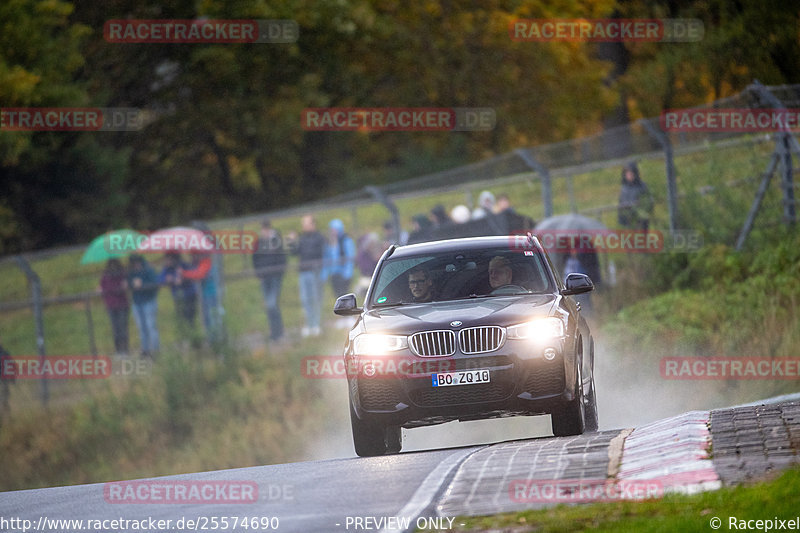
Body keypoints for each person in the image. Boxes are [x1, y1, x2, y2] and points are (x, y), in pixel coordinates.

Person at [287, 215, 327, 337]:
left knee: (315, 298)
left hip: (315, 272)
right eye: (303, 223)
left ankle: (316, 325)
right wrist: (291, 242)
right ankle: (309, 325)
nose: (304, 226)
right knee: (305, 299)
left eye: (306, 223)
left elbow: (318, 253)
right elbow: (294, 252)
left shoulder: (319, 237)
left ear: (313, 224)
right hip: (303, 273)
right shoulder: (302, 238)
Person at [252, 220, 287, 342]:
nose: (264, 231)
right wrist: (258, 273)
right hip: (264, 278)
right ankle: (275, 331)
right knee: (269, 306)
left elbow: (282, 258)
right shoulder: (258, 243)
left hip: (275, 277)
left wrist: (279, 272)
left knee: (272, 303)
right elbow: (255, 258)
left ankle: (279, 331)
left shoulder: (276, 241)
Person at [181, 252, 222, 347]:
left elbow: (199, 274)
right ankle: (211, 340)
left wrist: (184, 273)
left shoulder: (206, 263)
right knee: (207, 319)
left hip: (211, 295)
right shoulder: (199, 264)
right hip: (205, 295)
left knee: (213, 318)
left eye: (195, 255)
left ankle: (216, 340)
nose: (193, 257)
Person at [159, 252, 197, 341]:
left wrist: (182, 277)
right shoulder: (167, 269)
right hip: (177, 297)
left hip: (189, 295)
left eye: (168, 259)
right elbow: (160, 279)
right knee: (180, 319)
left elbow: (192, 275)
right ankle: (184, 339)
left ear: (173, 259)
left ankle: (193, 339)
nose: (166, 261)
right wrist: (167, 279)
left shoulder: (184, 265)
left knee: (190, 319)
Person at [127, 254, 160, 358]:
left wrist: (143, 285)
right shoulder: (131, 273)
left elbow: (155, 285)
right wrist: (131, 284)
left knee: (150, 326)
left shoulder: (148, 271)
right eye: (133, 263)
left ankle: (156, 350)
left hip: (148, 302)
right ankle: (145, 350)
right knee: (141, 327)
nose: (136, 265)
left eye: (137, 262)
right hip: (137, 303)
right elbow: (129, 284)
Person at [100, 258, 130, 356]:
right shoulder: (105, 276)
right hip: (111, 306)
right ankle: (118, 351)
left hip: (122, 305)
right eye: (111, 264)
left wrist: (124, 286)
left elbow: (124, 287)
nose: (113, 267)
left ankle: (125, 350)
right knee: (115, 330)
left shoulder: (122, 274)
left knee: (123, 329)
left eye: (114, 264)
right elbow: (102, 289)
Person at [322, 218, 356, 298]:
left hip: (343, 273)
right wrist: (325, 274)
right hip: (334, 275)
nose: (333, 232)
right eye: (332, 230)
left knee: (344, 295)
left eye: (335, 230)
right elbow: (326, 259)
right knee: (337, 296)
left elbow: (350, 257)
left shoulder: (346, 240)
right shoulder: (329, 243)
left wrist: (348, 273)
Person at [617, 161, 654, 231]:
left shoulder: (642, 186)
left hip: (640, 220)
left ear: (635, 173)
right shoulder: (624, 188)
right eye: (627, 173)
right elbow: (621, 204)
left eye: (631, 173)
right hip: (628, 220)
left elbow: (649, 202)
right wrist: (621, 218)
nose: (629, 175)